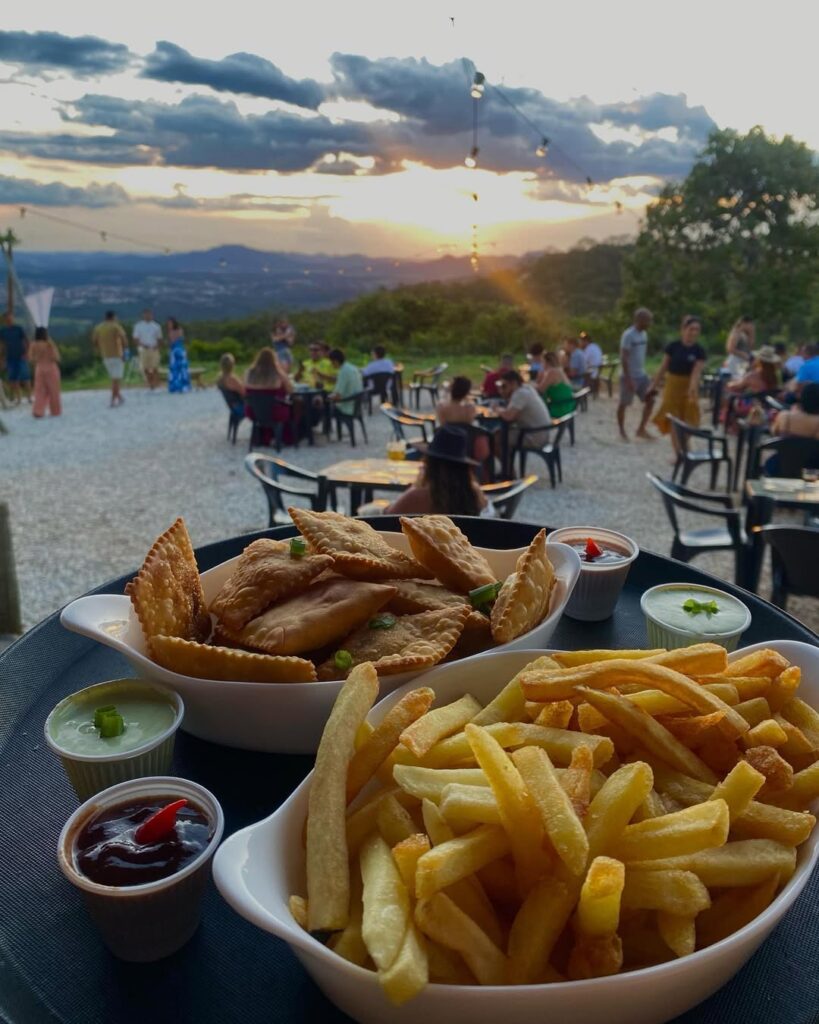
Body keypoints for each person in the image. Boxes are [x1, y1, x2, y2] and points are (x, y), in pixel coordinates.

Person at [385, 426, 487, 516]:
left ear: (430, 463)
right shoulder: (476, 494)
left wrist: (417, 484)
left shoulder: (418, 495)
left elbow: (388, 516)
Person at [650, 315, 707, 449]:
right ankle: (678, 453)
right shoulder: (673, 346)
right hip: (673, 385)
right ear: (683, 329)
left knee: (692, 420)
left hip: (690, 385)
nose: (694, 332)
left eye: (697, 329)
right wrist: (653, 386)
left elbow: (696, 372)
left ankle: (684, 445)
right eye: (691, 329)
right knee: (673, 420)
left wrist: (692, 389)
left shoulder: (699, 350)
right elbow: (663, 368)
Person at [617, 307, 656, 441]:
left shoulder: (644, 334)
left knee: (651, 400)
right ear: (640, 320)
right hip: (629, 376)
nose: (650, 324)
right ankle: (622, 431)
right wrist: (628, 379)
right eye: (648, 321)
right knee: (624, 403)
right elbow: (624, 357)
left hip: (641, 374)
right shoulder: (628, 335)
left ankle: (641, 429)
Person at [244, 346, 293, 444]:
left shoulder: (249, 372)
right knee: (293, 407)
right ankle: (287, 437)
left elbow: (244, 390)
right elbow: (290, 390)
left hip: (254, 411)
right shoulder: (278, 374)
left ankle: (261, 437)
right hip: (275, 411)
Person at [437, 376, 490, 464]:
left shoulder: (442, 407)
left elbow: (442, 424)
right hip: (467, 445)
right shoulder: (470, 408)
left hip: (446, 444)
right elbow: (469, 423)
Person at [497, 369, 551, 450]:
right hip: (542, 434)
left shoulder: (520, 394)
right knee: (501, 432)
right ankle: (507, 457)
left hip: (534, 437)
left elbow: (509, 416)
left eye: (504, 386)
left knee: (497, 436)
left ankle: (504, 458)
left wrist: (497, 409)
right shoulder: (527, 388)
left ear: (513, 383)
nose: (502, 390)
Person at [92, 310, 127, 407]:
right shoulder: (116, 326)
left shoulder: (98, 327)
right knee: (116, 379)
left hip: (105, 355)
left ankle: (119, 397)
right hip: (117, 355)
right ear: (114, 317)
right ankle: (113, 400)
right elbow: (124, 338)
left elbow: (94, 341)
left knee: (113, 378)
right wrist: (125, 352)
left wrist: (99, 349)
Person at [29, 326, 61, 418]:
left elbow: (31, 358)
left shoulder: (33, 344)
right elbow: (56, 357)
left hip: (39, 369)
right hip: (51, 368)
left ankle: (38, 411)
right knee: (54, 391)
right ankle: (55, 411)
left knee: (39, 391)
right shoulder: (49, 344)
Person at [0, 312, 31, 404]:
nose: (9, 320)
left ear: (13, 319)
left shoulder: (19, 328)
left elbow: (26, 340)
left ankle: (29, 397)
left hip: (21, 356)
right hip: (10, 357)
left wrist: (27, 353)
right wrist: (2, 358)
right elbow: (2, 345)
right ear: (4, 320)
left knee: (25, 377)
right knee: (13, 379)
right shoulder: (3, 331)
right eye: (7, 319)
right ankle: (19, 398)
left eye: (11, 318)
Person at [535, 352, 576, 418]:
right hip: (567, 405)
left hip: (560, 407)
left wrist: (532, 385)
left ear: (547, 362)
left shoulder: (552, 372)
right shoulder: (559, 370)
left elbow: (540, 390)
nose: (541, 365)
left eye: (542, 362)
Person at [132, 308, 163, 390]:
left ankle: (155, 383)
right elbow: (135, 339)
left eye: (149, 314)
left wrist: (157, 346)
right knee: (144, 368)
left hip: (154, 349)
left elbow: (160, 339)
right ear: (143, 315)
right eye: (146, 314)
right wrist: (142, 345)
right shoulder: (138, 326)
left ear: (152, 315)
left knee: (155, 367)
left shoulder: (156, 326)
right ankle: (149, 382)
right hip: (143, 349)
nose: (148, 316)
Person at [328, 348, 362, 416]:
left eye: (331, 362)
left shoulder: (343, 372)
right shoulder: (352, 367)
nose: (331, 364)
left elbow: (338, 396)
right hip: (356, 405)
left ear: (335, 361)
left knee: (324, 408)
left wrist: (328, 397)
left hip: (347, 407)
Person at [166, 318, 191, 394]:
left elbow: (180, 340)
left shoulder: (179, 330)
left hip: (179, 350)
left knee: (182, 368)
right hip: (173, 351)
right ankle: (175, 386)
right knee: (174, 369)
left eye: (170, 323)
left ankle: (183, 386)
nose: (169, 325)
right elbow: (170, 343)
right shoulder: (170, 331)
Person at [217, 352, 245, 417]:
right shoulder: (232, 378)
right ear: (232, 365)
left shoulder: (220, 378)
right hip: (241, 408)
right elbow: (245, 393)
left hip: (232, 408)